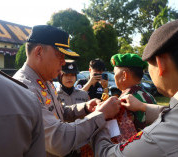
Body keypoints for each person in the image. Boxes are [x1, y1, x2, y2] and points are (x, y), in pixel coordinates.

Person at [92, 19, 178, 157]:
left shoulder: (158, 137)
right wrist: (144, 107)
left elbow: (106, 154)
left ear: (160, 64)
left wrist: (99, 117)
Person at [13, 25, 120, 157]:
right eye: (60, 55)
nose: (63, 62)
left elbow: (60, 112)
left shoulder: (46, 81)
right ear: (39, 52)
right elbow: (58, 140)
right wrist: (101, 114)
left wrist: (85, 107)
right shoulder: (25, 88)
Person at [0, 69, 46, 157]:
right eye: (58, 56)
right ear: (39, 54)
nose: (63, 62)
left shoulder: (46, 84)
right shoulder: (25, 94)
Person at [111, 53, 157, 131]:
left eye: (115, 73)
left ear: (124, 75)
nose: (114, 76)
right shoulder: (149, 96)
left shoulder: (124, 101)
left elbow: (119, 137)